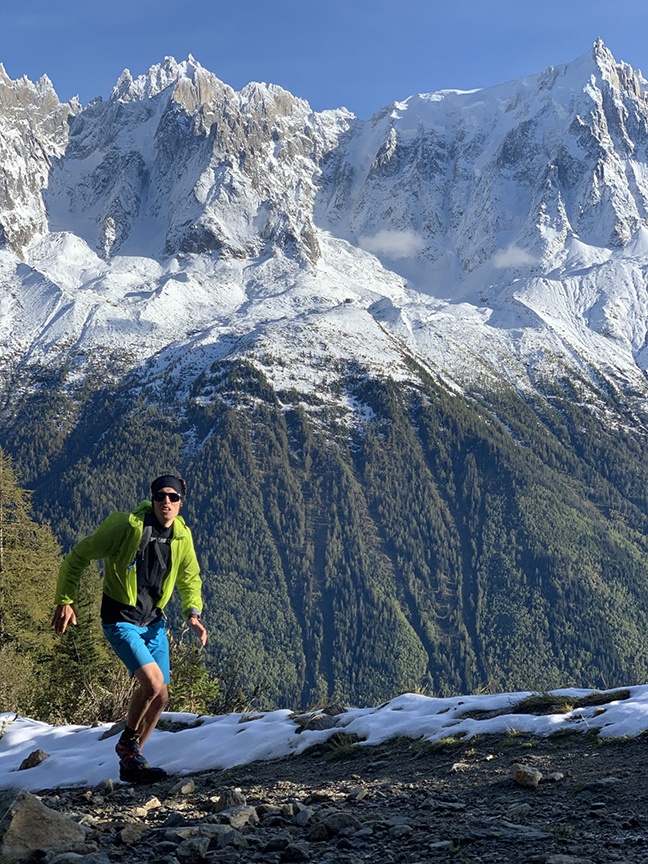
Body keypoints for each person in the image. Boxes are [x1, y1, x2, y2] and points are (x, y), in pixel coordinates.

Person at [52, 474, 207, 784]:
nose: (167, 502)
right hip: (120, 618)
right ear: (152, 498)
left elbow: (189, 577)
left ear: (181, 502)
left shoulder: (181, 536)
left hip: (154, 622)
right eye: (161, 496)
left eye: (173, 497)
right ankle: (127, 745)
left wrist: (193, 611)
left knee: (161, 696)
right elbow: (79, 556)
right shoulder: (125, 527)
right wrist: (65, 600)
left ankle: (132, 762)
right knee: (151, 683)